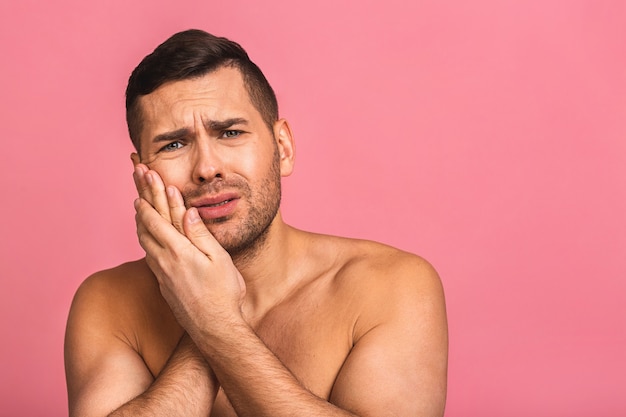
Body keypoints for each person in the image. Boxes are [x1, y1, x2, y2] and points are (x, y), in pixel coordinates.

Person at [64, 29, 448, 417]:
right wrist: (204, 313)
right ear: (141, 172)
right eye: (173, 144)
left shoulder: (390, 285)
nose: (207, 168)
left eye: (230, 133)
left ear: (282, 147)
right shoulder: (108, 301)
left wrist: (215, 322)